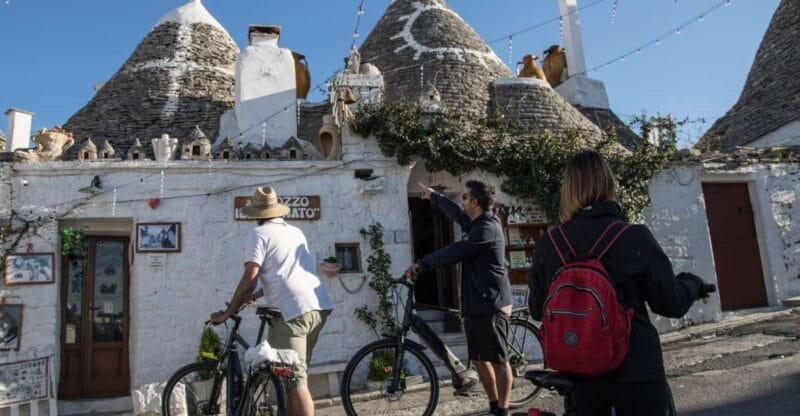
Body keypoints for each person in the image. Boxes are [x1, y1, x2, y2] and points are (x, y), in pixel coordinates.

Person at [528, 150, 705, 416]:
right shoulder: (633, 236)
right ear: (608, 184)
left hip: (581, 377)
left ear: (568, 191)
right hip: (636, 371)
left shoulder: (550, 244)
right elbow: (670, 303)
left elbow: (537, 308)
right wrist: (692, 284)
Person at [211, 186, 332, 416]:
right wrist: (256, 296)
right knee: (288, 376)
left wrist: (228, 313)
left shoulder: (258, 234)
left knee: (297, 381)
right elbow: (286, 272)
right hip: (318, 307)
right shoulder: (295, 232)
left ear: (257, 215)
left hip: (292, 313)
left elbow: (250, 277)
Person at [405, 180, 514, 416]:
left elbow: (455, 251)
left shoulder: (487, 228)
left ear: (474, 202)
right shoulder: (475, 223)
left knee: (499, 360)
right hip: (475, 304)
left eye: (465, 197)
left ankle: (503, 410)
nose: (462, 201)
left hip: (491, 304)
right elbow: (456, 213)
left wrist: (422, 264)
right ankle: (493, 405)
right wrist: (434, 196)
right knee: (478, 359)